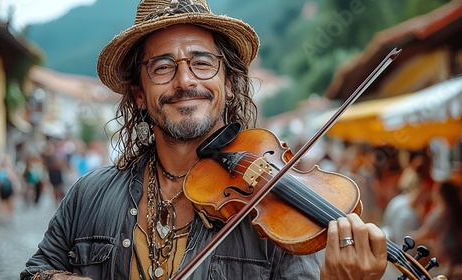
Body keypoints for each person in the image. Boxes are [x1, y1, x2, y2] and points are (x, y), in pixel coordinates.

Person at [21, 1, 389, 279]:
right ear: (138, 93)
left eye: (202, 62)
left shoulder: (277, 217)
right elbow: (35, 271)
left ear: (229, 83)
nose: (185, 82)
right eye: (163, 67)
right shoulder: (89, 195)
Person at [411, 180, 462, 279]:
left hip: (447, 262)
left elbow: (419, 236)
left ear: (440, 194)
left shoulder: (441, 214)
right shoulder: (456, 210)